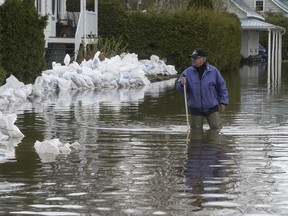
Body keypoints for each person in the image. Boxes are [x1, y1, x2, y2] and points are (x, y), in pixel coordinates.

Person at [176, 48, 228, 130]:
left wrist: (223, 102)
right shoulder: (187, 72)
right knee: (195, 132)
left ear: (202, 59)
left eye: (195, 58)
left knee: (216, 129)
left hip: (212, 107)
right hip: (195, 108)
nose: (193, 60)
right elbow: (179, 89)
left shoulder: (214, 71)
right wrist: (182, 84)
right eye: (192, 58)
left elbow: (222, 87)